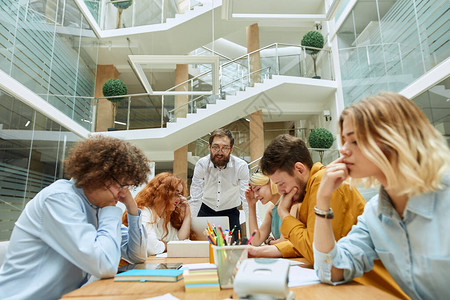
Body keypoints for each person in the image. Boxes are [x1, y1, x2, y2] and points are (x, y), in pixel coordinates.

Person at [313, 93, 450, 300]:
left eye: (355, 141)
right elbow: (331, 271)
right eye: (344, 140)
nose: (343, 150)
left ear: (394, 140)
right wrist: (322, 201)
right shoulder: (374, 214)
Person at [0, 136, 151, 300]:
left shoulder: (97, 206)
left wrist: (132, 208)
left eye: (127, 187)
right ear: (98, 175)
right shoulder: (60, 199)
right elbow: (104, 265)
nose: (123, 193)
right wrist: (110, 209)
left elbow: (137, 256)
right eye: (121, 185)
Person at [248, 134, 366, 262]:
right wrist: (260, 251)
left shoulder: (322, 182)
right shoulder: (308, 190)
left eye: (281, 184)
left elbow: (317, 253)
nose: (281, 192)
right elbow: (307, 241)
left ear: (299, 169)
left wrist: (284, 214)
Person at [189, 128, 251, 241]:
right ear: (209, 147)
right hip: (205, 210)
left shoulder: (241, 166)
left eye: (225, 147)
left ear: (231, 149)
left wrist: (257, 233)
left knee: (234, 249)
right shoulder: (202, 165)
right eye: (215, 147)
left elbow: (247, 201)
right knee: (202, 248)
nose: (219, 151)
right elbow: (195, 199)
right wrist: (190, 227)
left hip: (231, 214)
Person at [123, 172, 190, 255]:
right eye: (176, 193)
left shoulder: (165, 216)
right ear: (163, 193)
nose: (180, 198)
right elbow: (152, 248)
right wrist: (167, 244)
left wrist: (187, 214)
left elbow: (179, 241)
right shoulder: (144, 212)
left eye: (180, 194)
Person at [245, 170, 299, 246]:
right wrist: (251, 205)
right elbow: (255, 241)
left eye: (258, 189)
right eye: (254, 192)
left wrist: (269, 242)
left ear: (271, 183)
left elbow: (284, 242)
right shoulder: (272, 209)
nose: (255, 196)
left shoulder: (293, 204)